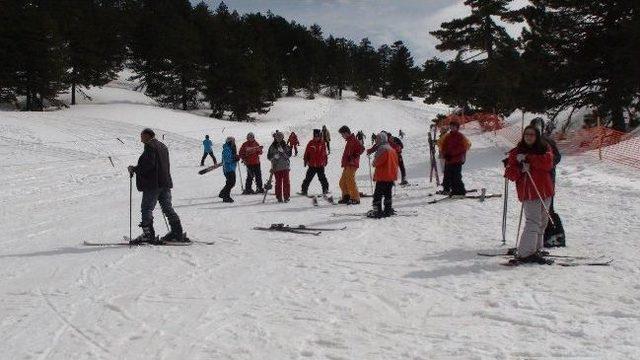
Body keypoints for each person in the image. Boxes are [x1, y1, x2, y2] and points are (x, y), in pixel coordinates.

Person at [504, 125, 555, 264]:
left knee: (543, 222)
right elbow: (510, 174)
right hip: (529, 191)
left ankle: (536, 248)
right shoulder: (516, 152)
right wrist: (520, 167)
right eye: (526, 134)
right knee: (533, 221)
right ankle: (525, 253)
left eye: (532, 134)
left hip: (545, 190)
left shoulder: (544, 148)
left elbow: (548, 163)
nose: (529, 137)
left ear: (537, 136)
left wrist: (529, 159)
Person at [128, 128, 187, 244]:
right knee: (167, 208)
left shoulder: (150, 146)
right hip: (165, 182)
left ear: (147, 136)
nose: (140, 138)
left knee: (147, 208)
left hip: (153, 184)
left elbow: (149, 165)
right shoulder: (162, 146)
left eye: (142, 135)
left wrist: (134, 169)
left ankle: (148, 235)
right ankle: (177, 232)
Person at [530, 117, 565, 247]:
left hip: (547, 179)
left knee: (547, 208)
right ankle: (540, 236)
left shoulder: (547, 141)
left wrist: (546, 164)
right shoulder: (530, 141)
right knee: (536, 209)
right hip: (533, 180)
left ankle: (555, 235)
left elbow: (557, 157)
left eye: (538, 128)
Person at [367, 132, 399, 218]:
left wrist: (374, 161)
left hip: (382, 176)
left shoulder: (382, 149)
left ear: (381, 139)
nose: (376, 141)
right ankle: (388, 210)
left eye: (378, 139)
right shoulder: (392, 149)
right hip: (391, 176)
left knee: (377, 195)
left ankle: (377, 211)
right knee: (388, 194)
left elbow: (377, 162)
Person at [439, 122, 471, 195]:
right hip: (448, 160)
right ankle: (448, 189)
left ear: (457, 128)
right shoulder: (448, 136)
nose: (452, 128)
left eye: (454, 127)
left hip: (457, 160)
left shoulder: (460, 136)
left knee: (456, 176)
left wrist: (451, 154)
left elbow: (462, 148)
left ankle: (460, 191)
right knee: (447, 175)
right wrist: (445, 154)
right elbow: (443, 147)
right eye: (451, 126)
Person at [338, 125, 364, 204]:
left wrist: (353, 156)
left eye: (342, 134)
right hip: (347, 164)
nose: (342, 136)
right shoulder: (349, 140)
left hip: (352, 164)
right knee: (342, 182)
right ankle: (346, 196)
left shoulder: (354, 140)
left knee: (350, 180)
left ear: (346, 133)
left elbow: (361, 149)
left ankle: (355, 198)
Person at [300, 129, 329, 195]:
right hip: (312, 165)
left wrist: (325, 161)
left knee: (322, 178)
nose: (316, 138)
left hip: (320, 165)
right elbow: (306, 153)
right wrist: (305, 160)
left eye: (318, 136)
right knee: (308, 178)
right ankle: (304, 190)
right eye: (315, 136)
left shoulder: (322, 143)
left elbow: (325, 153)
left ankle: (325, 189)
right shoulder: (310, 143)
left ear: (320, 136)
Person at [267, 131, 292, 202]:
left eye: (280, 137)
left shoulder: (286, 145)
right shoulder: (272, 146)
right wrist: (274, 157)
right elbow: (269, 156)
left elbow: (289, 155)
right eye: (277, 137)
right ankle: (279, 197)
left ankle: (286, 197)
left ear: (282, 137)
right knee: (278, 182)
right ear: (275, 138)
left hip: (285, 167)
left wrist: (283, 153)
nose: (278, 138)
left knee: (286, 182)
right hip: (276, 167)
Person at [219, 137, 239, 203]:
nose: (234, 142)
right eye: (232, 141)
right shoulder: (227, 149)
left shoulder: (232, 148)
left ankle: (223, 193)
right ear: (229, 142)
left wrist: (236, 157)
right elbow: (226, 159)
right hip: (228, 168)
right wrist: (234, 159)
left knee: (230, 183)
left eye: (234, 141)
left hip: (232, 168)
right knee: (231, 183)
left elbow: (233, 156)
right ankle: (226, 196)